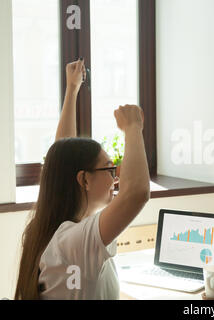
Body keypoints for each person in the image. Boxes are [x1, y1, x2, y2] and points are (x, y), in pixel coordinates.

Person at [15, 59, 150, 299]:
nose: (115, 179)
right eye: (109, 169)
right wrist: (133, 127)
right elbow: (136, 192)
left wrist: (72, 90)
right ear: (84, 181)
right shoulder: (73, 242)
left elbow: (62, 158)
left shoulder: (56, 231)